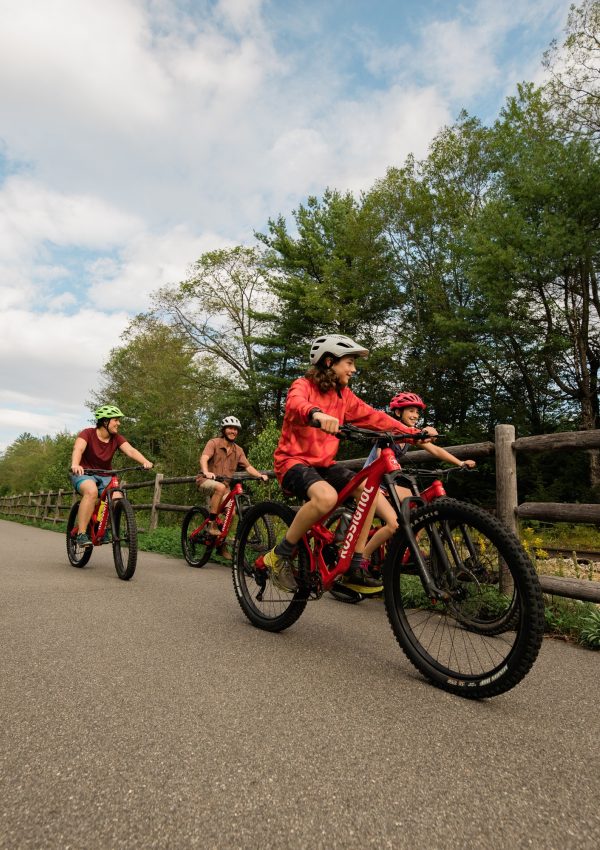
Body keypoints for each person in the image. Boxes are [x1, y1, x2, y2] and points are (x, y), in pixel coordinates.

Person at [262, 334, 437, 592]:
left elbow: (375, 417)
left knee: (369, 489)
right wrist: (316, 413)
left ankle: (355, 564)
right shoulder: (304, 384)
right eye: (350, 362)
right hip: (292, 462)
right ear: (330, 361)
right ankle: (279, 554)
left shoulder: (343, 396)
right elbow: (296, 403)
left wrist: (414, 433)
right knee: (326, 498)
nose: (354, 369)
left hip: (323, 464)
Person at [360, 391, 476, 577]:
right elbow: (383, 459)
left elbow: (435, 450)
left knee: (422, 509)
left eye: (417, 412)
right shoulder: (388, 431)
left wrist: (460, 463)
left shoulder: (409, 434)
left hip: (390, 484)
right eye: (411, 411)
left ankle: (407, 549)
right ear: (398, 413)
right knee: (393, 525)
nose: (415, 415)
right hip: (373, 485)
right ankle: (362, 559)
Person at [70, 405, 153, 547]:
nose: (119, 423)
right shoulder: (87, 433)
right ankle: (82, 534)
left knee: (116, 498)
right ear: (105, 422)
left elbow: (131, 451)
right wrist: (75, 464)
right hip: (84, 473)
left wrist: (145, 461)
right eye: (116, 420)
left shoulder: (116, 438)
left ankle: (106, 527)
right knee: (91, 492)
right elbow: (79, 448)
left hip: (105, 475)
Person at [196, 416, 268, 560]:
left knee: (231, 511)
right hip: (205, 481)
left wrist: (259, 475)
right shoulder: (214, 443)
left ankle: (220, 544)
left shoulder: (238, 450)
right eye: (230, 428)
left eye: (235, 429)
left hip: (224, 487)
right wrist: (206, 471)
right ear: (224, 430)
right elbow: (204, 458)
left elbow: (248, 466)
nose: (233, 431)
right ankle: (211, 524)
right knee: (220, 487)